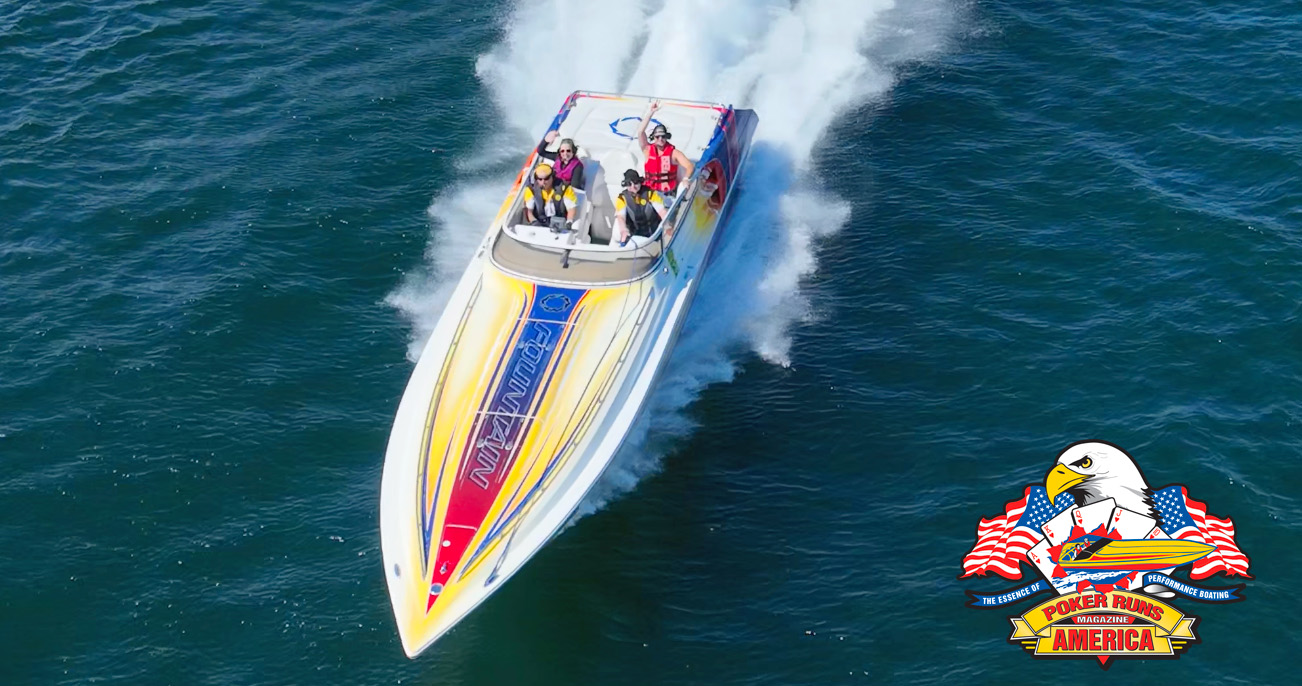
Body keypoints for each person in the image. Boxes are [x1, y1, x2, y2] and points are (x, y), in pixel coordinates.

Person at [637, 102, 694, 200]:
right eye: (657, 137)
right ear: (653, 138)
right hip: (650, 194)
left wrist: (685, 179)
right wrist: (651, 112)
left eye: (663, 136)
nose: (660, 139)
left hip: (667, 195)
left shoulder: (674, 153)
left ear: (666, 137)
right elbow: (640, 132)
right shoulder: (647, 150)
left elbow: (689, 166)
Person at [613, 169, 668, 245]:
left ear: (640, 182)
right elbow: (621, 217)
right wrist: (623, 230)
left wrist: (667, 226)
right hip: (635, 238)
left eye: (635, 182)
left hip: (654, 234)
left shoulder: (650, 193)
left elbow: (662, 211)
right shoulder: (622, 199)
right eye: (629, 184)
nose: (633, 187)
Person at [523, 164, 577, 229]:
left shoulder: (565, 188)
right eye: (540, 179)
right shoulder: (531, 190)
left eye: (546, 179)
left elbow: (571, 208)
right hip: (539, 223)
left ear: (552, 177)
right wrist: (534, 221)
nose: (543, 182)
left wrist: (569, 222)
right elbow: (529, 211)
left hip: (560, 222)